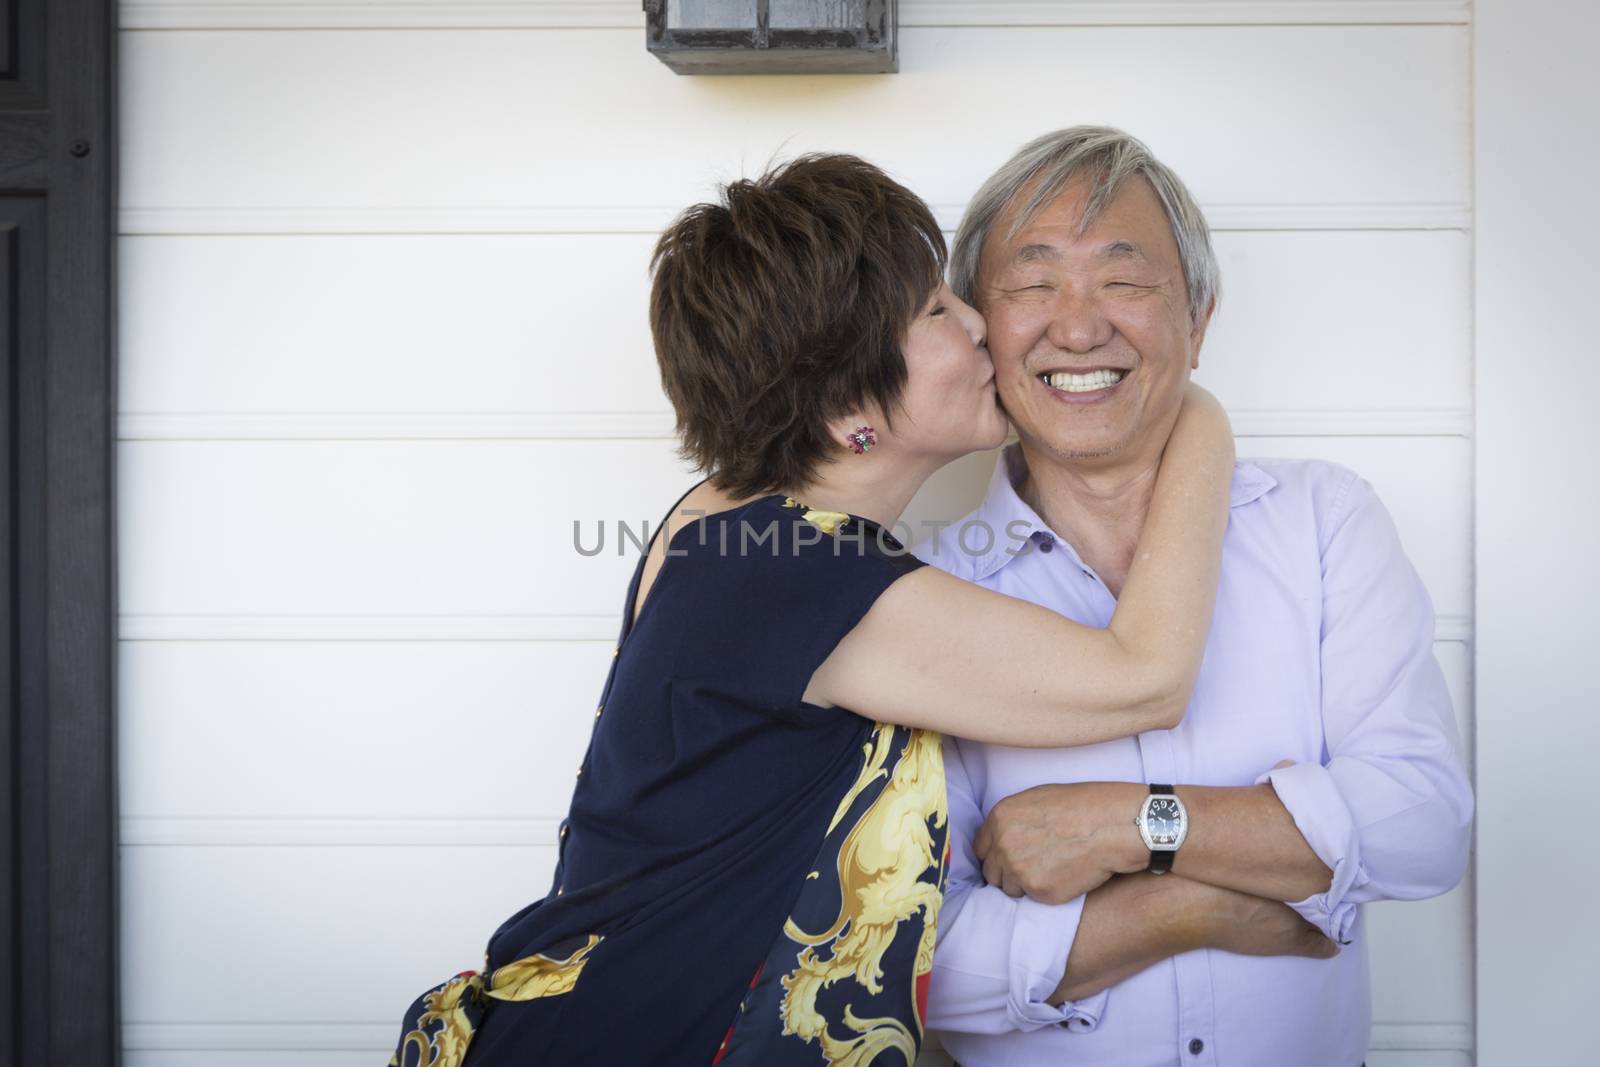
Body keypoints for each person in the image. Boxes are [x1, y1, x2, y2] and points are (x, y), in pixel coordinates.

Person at [385, 151, 1237, 1067]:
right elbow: (1145, 678)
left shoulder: (720, 523)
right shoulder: (798, 577)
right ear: (846, 408)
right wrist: (1198, 414)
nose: (982, 323)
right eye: (937, 311)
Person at [916, 126, 1474, 1067]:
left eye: (1124, 280)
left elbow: (1421, 822)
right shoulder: (927, 591)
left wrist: (1132, 823)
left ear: (1200, 320)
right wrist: (1187, 902)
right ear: (980, 328)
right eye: (1032, 282)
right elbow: (917, 965)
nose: (1080, 325)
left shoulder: (1323, 522)